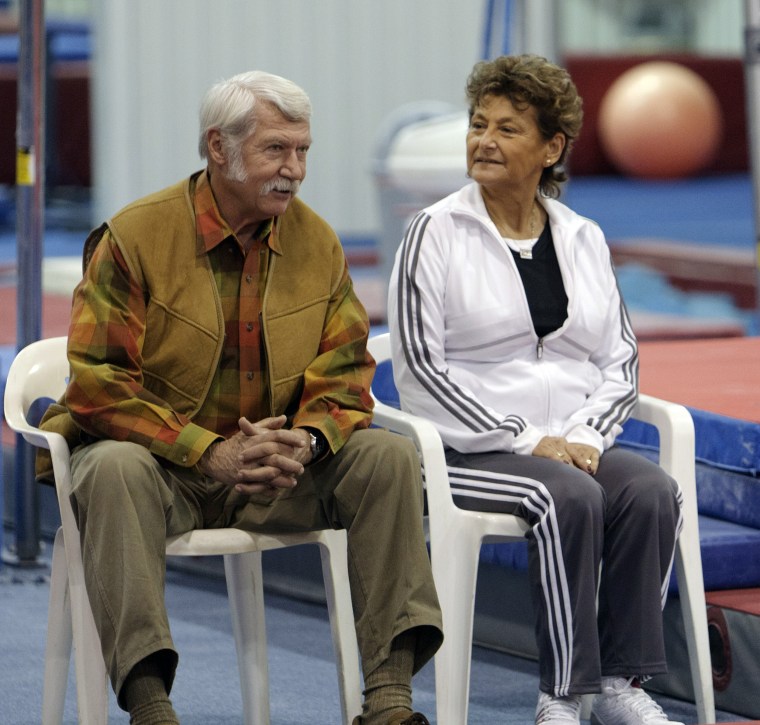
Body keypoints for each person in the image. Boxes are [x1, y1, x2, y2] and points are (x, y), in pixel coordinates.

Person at [38, 70, 441, 725]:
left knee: (386, 459)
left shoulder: (317, 242)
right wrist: (209, 452)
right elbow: (99, 384)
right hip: (162, 475)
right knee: (111, 464)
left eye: (303, 150)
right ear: (218, 149)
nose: (295, 169)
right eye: (276, 150)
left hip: (276, 474)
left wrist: (305, 441)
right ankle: (150, 707)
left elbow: (344, 369)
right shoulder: (135, 237)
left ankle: (390, 703)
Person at [388, 54, 684, 725]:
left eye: (508, 129)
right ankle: (563, 693)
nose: (484, 140)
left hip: (567, 444)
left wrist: (580, 436)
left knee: (649, 489)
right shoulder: (432, 233)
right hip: (466, 452)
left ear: (552, 147)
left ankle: (618, 683)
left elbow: (620, 359)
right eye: (477, 124)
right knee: (570, 494)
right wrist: (529, 441)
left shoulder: (582, 237)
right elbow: (420, 371)